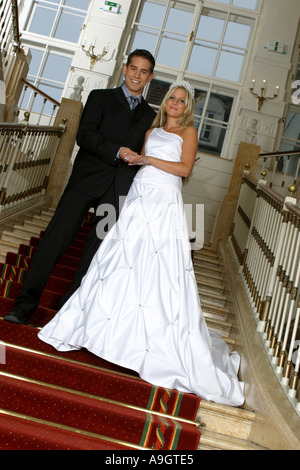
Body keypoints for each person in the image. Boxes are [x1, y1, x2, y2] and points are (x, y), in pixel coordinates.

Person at [37, 81, 245, 406]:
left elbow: (184, 169)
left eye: (181, 100)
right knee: (119, 260)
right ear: (166, 103)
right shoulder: (151, 131)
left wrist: (148, 161)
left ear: (187, 107)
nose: (175, 103)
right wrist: (138, 159)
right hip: (139, 198)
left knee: (159, 269)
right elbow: (142, 162)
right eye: (172, 98)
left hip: (164, 203)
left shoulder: (188, 133)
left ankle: (152, 340)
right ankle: (104, 329)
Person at [4, 49, 156, 326]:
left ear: (150, 77)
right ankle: (24, 306)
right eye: (133, 69)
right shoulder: (99, 97)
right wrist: (117, 151)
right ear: (125, 69)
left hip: (115, 192)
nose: (137, 75)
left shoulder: (150, 115)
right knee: (55, 240)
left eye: (143, 71)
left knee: (95, 251)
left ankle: (68, 310)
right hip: (85, 183)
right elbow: (84, 135)